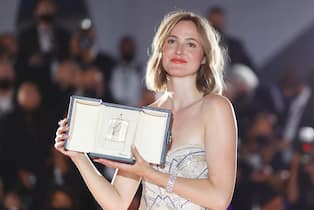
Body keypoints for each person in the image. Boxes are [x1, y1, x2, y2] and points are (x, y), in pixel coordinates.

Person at [55, 10, 237, 210]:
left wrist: (151, 174)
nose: (179, 50)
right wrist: (78, 156)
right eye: (172, 41)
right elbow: (116, 203)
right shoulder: (144, 117)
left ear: (204, 56)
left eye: (191, 44)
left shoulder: (215, 108)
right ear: (161, 50)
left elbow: (220, 199)